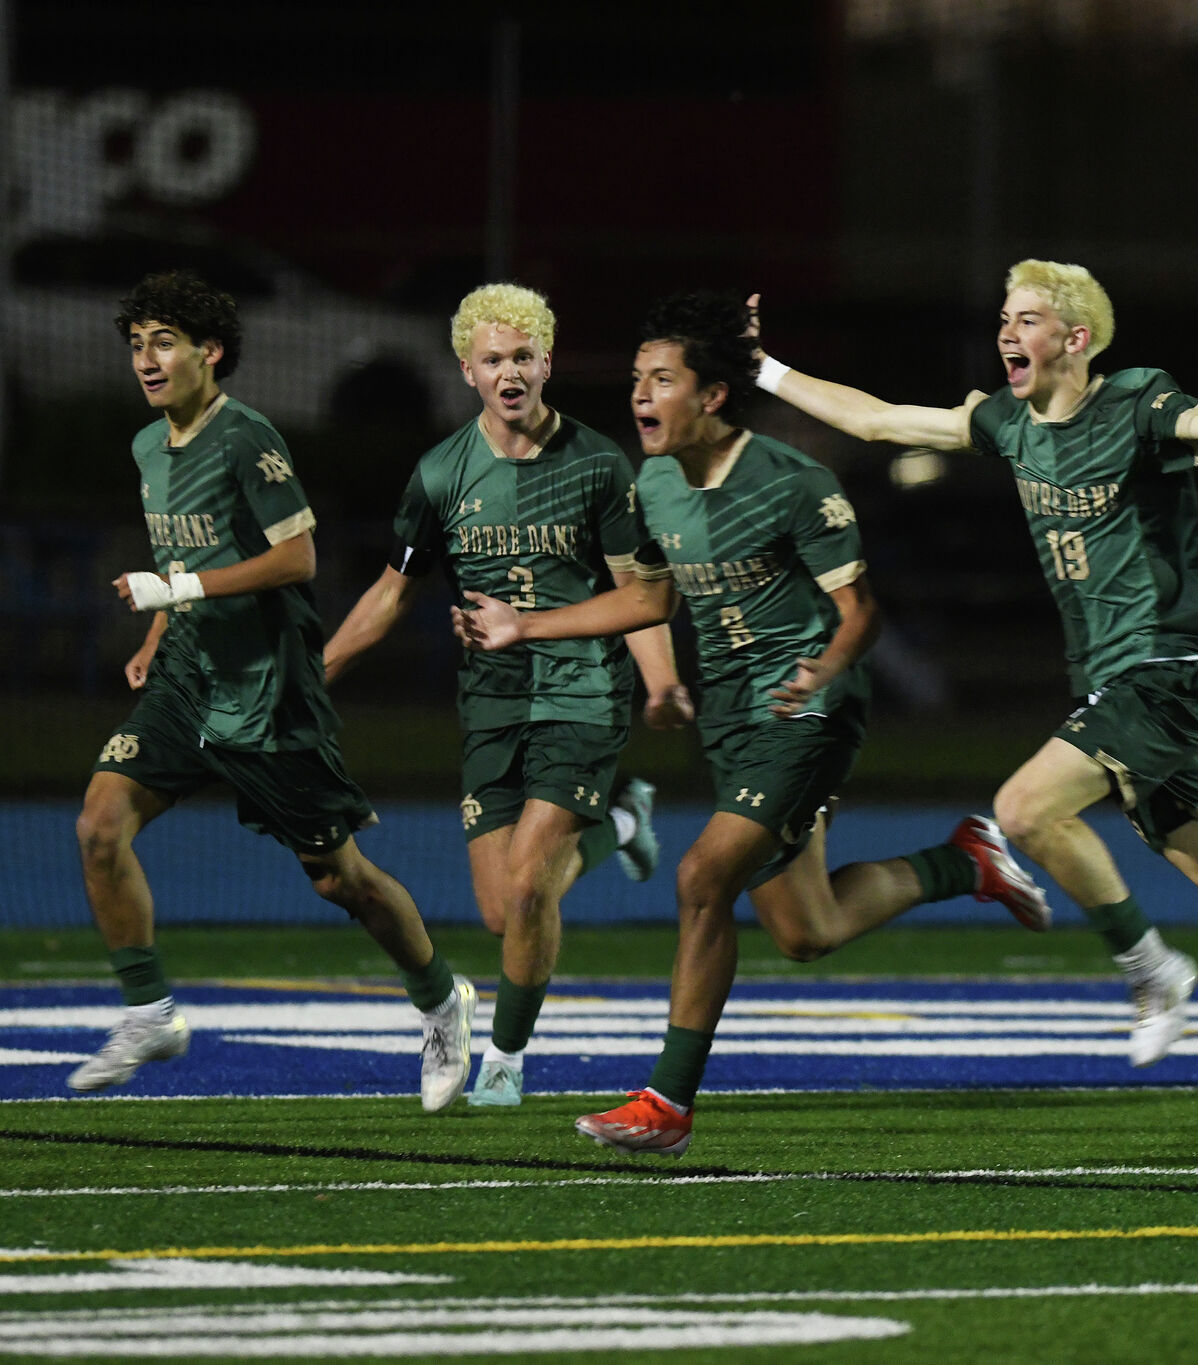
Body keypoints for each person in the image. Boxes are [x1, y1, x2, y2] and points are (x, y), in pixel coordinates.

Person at [747, 261, 1198, 1141]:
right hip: (1111, 681)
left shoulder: (1135, 403)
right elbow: (880, 418)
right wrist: (764, 369)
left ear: (1075, 339)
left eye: (1026, 319)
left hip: (1162, 671)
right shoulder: (1009, 420)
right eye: (1003, 316)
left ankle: (1152, 969)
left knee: (1022, 809)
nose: (1006, 333)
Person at [455, 291, 1052, 1155]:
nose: (639, 395)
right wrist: (525, 624)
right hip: (733, 720)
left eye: (661, 379)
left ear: (713, 396)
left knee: (701, 878)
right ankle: (965, 861)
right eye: (635, 379)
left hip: (807, 713)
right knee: (805, 929)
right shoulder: (652, 483)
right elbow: (649, 597)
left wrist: (826, 669)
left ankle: (667, 1104)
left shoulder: (791, 480)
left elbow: (862, 611)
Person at [72, 270, 474, 1109]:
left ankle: (442, 1000)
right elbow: (182, 561)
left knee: (340, 879)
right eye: (136, 343)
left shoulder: (247, 436)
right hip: (187, 678)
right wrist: (157, 630)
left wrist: (175, 594)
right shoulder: (150, 446)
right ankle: (149, 1011)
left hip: (267, 691)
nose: (146, 359)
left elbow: (299, 560)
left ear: (209, 352)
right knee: (99, 825)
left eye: (164, 342)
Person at [324, 283, 686, 1109]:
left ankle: (507, 1062)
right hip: (490, 702)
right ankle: (624, 818)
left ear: (547, 362)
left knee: (528, 883)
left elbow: (642, 594)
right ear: (467, 371)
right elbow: (390, 592)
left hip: (583, 689)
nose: (510, 371)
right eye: (494, 359)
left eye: (523, 356)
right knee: (502, 910)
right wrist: (318, 672)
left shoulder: (597, 463)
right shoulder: (441, 473)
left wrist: (660, 681)